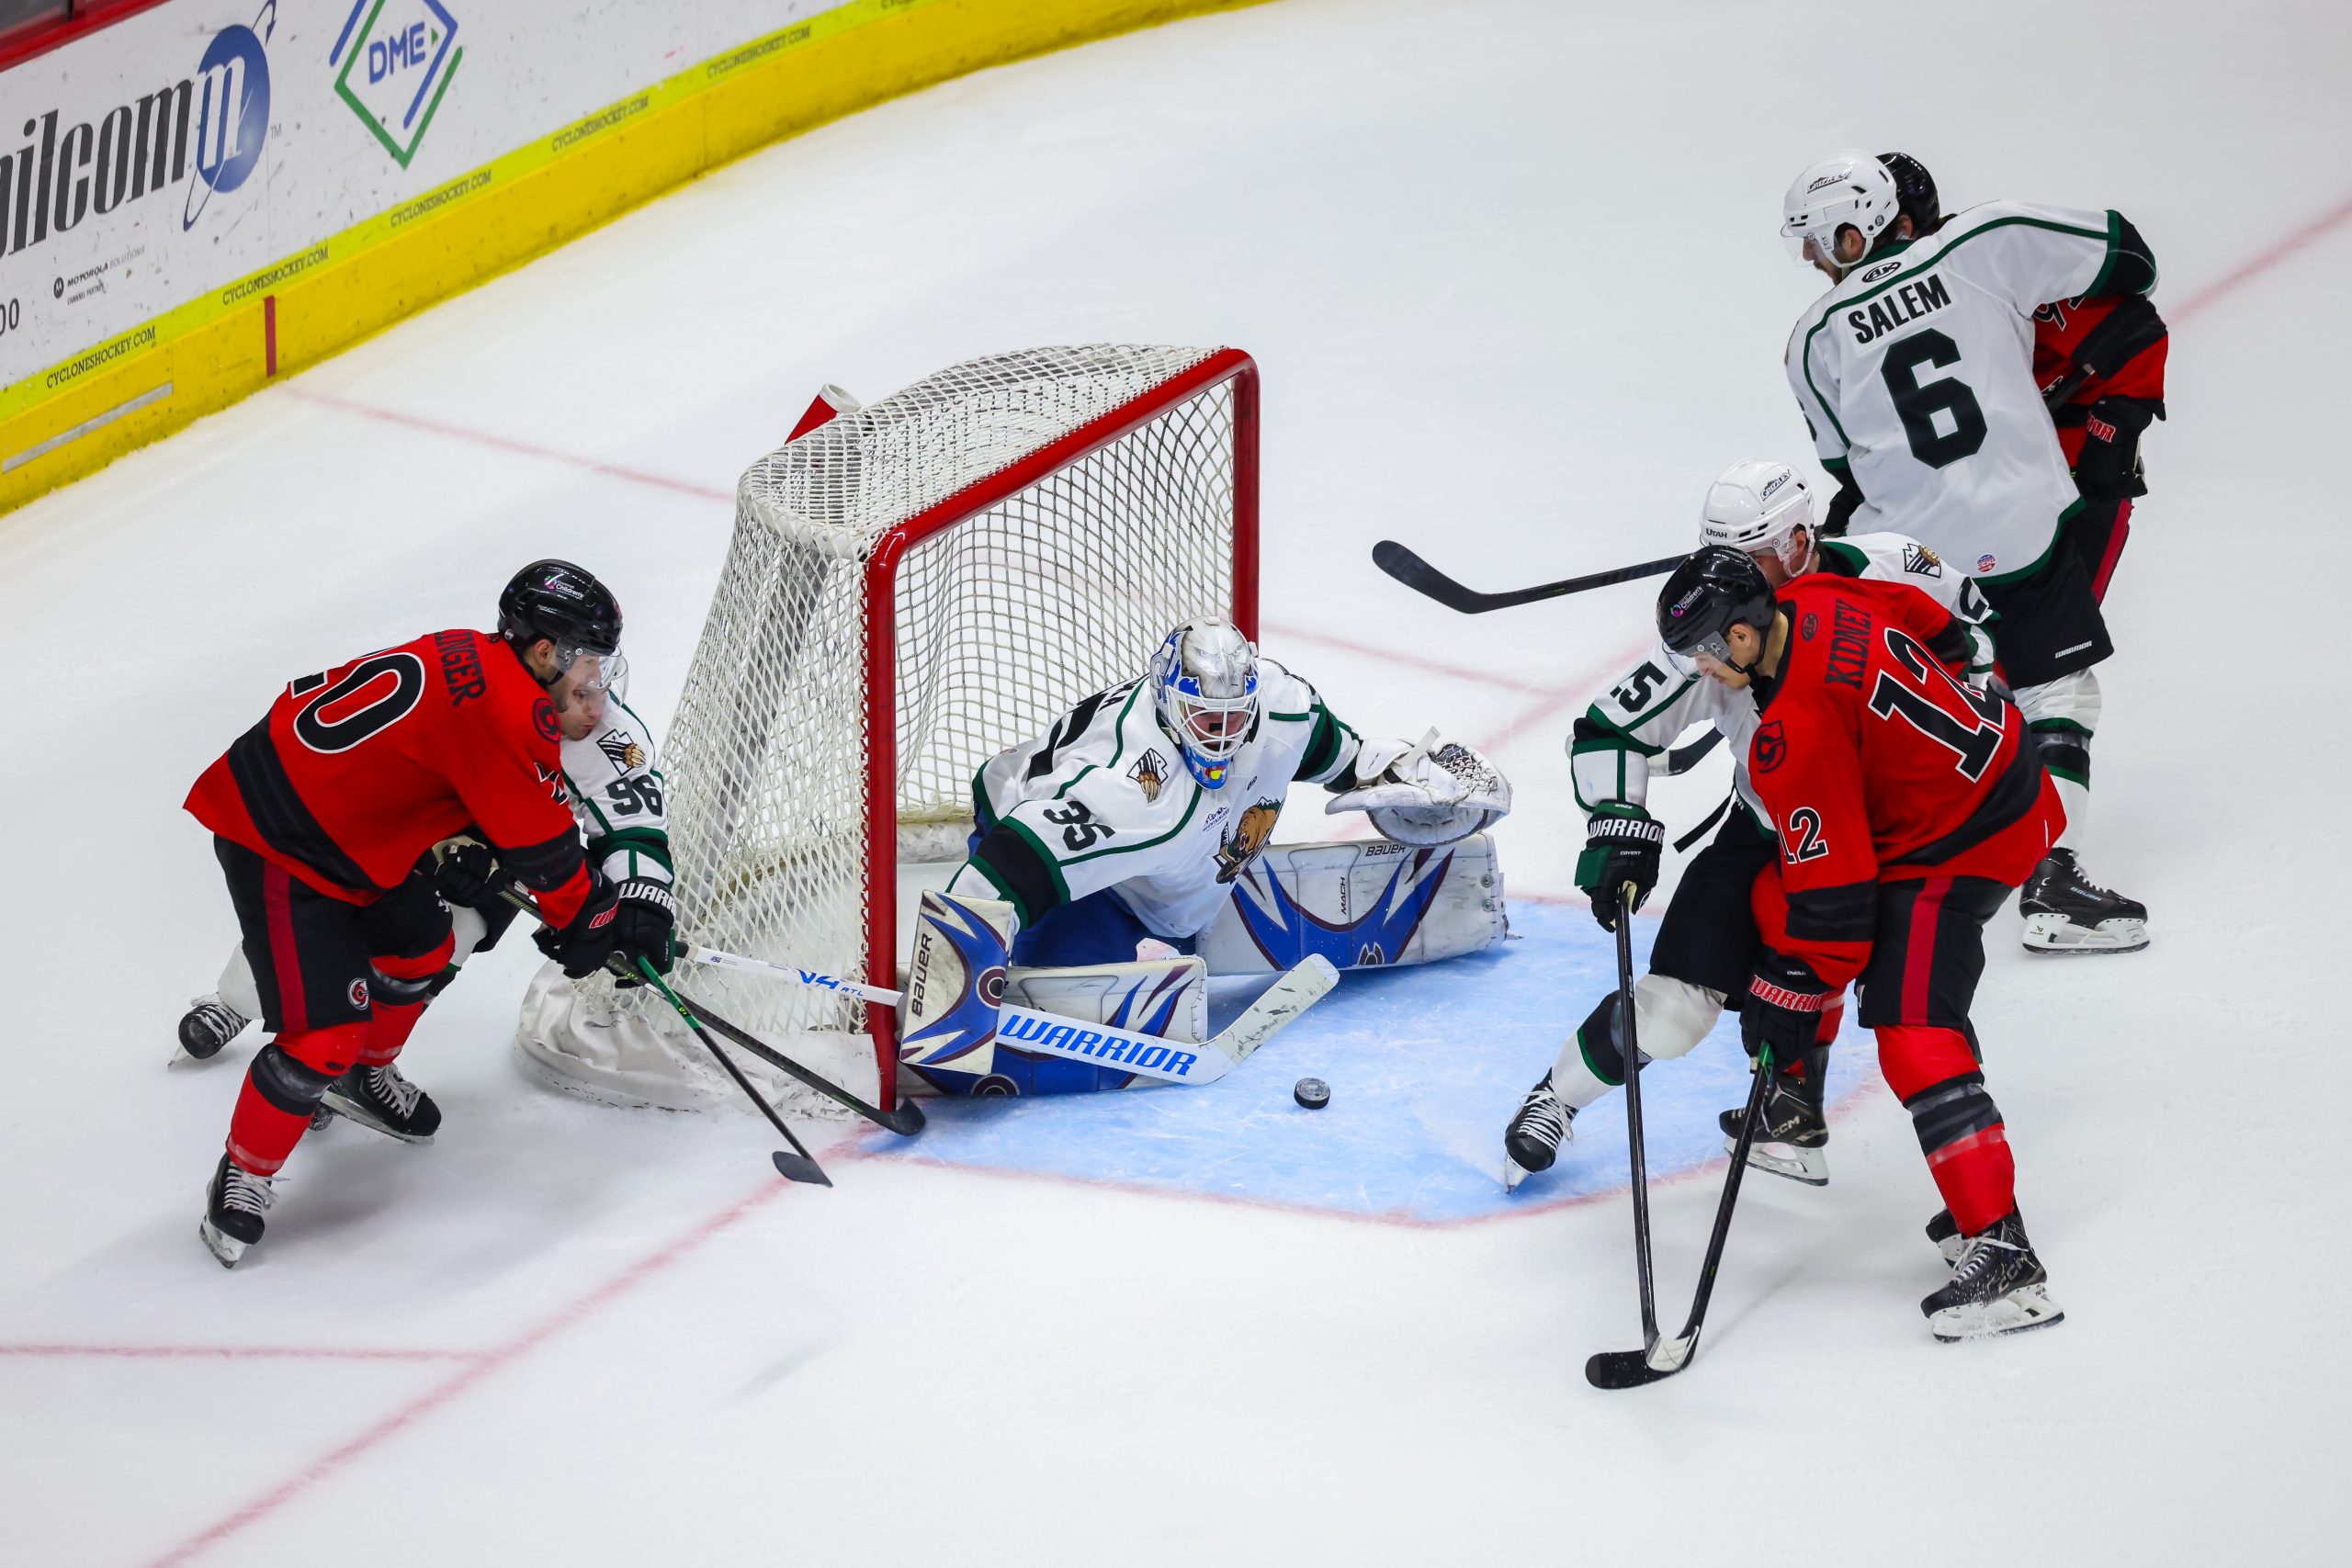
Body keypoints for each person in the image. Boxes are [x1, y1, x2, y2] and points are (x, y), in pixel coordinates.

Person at [1502, 458, 1995, 1190]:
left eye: (1751, 553)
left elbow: (1977, 636)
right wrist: (1617, 818)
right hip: (1773, 832)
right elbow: (1610, 730)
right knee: (1673, 1009)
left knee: (1915, 1019)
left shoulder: (1892, 567)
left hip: (1896, 839)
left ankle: (1820, 1120)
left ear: (1798, 542)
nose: (1728, 572)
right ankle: (1558, 1095)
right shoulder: (1718, 629)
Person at [181, 560, 671, 1267]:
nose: (598, 698)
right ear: (544, 652)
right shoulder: (509, 713)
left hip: (355, 828)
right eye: (586, 671)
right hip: (289, 842)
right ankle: (245, 1161)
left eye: (602, 673)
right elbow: (543, 848)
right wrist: (588, 916)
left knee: (427, 944)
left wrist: (641, 901)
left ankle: (361, 1074)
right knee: (324, 1032)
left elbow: (628, 821)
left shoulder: (492, 664)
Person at [1651, 547, 2065, 1339]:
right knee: (1775, 896)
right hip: (1994, 770)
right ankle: (1795, 1106)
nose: (1701, 668)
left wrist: (1788, 997)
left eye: (1704, 649)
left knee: (1913, 1023)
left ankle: (2006, 1255)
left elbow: (1839, 907)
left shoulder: (1791, 735)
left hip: (1970, 836)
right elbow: (1934, 622)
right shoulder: (1816, 592)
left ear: (1742, 636)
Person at [1781, 148, 2157, 953]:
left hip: (1906, 555)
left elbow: (1847, 465)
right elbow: (2132, 256)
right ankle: (2054, 877)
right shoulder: (1981, 242)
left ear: (1853, 233)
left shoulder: (1811, 338)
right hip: (2020, 527)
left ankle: (1864, 864)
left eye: (1817, 242)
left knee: (1912, 700)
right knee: (2059, 692)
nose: (1812, 260)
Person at [174, 675, 676, 1076]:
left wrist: (641, 901)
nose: (594, 709)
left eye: (600, 689)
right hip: (417, 821)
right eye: (581, 693)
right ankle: (239, 998)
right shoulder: (482, 700)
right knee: (333, 902)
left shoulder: (608, 736)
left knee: (458, 930)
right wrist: (441, 847)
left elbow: (633, 823)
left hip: (512, 843)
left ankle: (357, 1063)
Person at [940, 616, 1510, 968]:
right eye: (1207, 719)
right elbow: (1009, 868)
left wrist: (1382, 772)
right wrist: (953, 969)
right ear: (1169, 702)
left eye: (1237, 717)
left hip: (1166, 861)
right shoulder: (1128, 786)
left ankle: (1177, 909)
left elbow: (1333, 754)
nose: (1224, 736)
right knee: (1075, 1002)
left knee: (1187, 867)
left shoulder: (1282, 707)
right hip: (1071, 860)